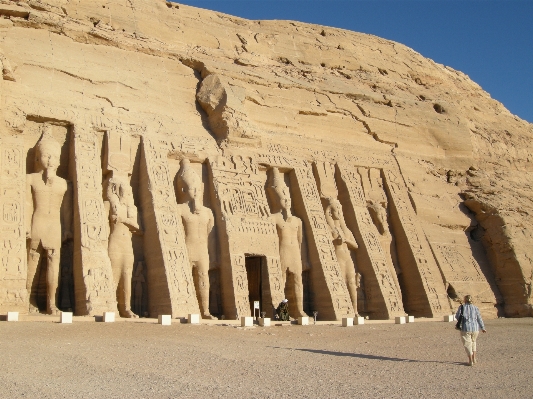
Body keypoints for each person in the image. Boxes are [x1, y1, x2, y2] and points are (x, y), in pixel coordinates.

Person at [456, 295, 487, 366]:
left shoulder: (462, 307)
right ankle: (474, 358)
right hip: (475, 328)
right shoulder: (475, 308)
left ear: (465, 300)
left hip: (465, 327)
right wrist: (483, 328)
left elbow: (457, 316)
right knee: (473, 342)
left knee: (467, 344)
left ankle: (470, 360)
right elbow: (479, 318)